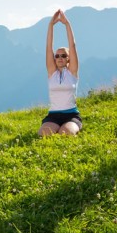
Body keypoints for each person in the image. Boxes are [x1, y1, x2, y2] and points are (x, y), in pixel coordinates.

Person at [38, 9, 82, 137]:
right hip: (53, 115)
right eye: (57, 56)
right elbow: (48, 47)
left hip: (71, 115)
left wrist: (67, 24)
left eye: (63, 55)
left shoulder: (72, 72)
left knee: (66, 133)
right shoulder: (52, 73)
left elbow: (72, 45)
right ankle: (57, 127)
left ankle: (70, 127)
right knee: (44, 133)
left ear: (68, 58)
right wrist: (51, 25)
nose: (59, 58)